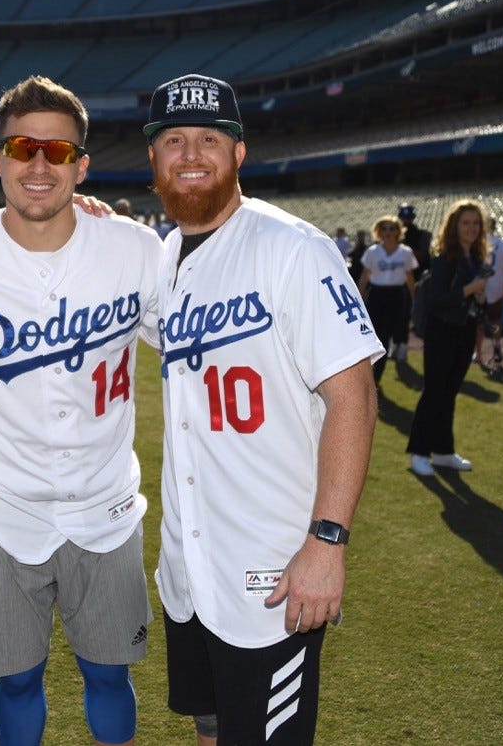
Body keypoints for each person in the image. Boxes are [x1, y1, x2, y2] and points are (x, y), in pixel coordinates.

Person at [0, 76, 160, 746]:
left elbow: (194, 347)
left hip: (107, 505)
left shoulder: (136, 250)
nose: (38, 164)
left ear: (82, 167)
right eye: (24, 147)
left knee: (109, 674)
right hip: (1, 507)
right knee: (16, 680)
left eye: (58, 153)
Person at [144, 73, 381, 745]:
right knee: (212, 725)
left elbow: (354, 396)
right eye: (174, 140)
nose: (192, 154)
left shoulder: (294, 249)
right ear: (154, 159)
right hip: (189, 567)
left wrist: (328, 542)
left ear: (239, 152)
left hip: (273, 571)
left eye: (211, 138)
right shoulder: (161, 258)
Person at [405, 199, 489, 477]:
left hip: (464, 329)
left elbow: (468, 297)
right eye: (466, 223)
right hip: (442, 329)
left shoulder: (476, 258)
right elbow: (437, 301)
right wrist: (470, 289)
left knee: (450, 392)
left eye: (476, 223)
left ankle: (443, 451)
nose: (472, 228)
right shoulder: (443, 257)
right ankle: (419, 452)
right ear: (454, 226)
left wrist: (479, 296)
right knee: (434, 391)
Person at [358, 215, 416, 387]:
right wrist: (359, 299)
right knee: (370, 335)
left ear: (398, 231)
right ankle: (367, 373)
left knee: (385, 337)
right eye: (384, 228)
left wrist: (414, 300)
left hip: (396, 296)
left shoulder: (405, 252)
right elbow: (364, 277)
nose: (388, 232)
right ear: (378, 231)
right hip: (376, 295)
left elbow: (410, 278)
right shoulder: (372, 252)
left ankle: (376, 378)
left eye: (392, 228)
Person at [473, 217, 503, 367]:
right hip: (497, 289)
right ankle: (496, 345)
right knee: (495, 321)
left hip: (478, 289)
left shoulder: (475, 243)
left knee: (478, 323)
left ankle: (478, 353)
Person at [397, 203, 431, 362]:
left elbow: (420, 257)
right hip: (395, 280)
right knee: (397, 315)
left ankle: (402, 345)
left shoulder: (420, 235)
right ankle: (397, 344)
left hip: (414, 280)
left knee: (407, 315)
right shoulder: (396, 233)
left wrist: (404, 250)